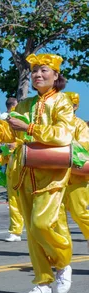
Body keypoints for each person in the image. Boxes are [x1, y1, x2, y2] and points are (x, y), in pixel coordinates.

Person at [0, 53, 74, 293]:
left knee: (41, 223)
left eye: (44, 70)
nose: (38, 75)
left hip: (51, 173)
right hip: (23, 172)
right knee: (32, 232)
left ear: (56, 76)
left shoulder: (62, 102)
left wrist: (29, 128)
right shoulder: (25, 104)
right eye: (34, 71)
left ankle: (63, 263)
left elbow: (63, 135)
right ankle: (43, 280)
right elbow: (8, 127)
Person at [61, 92, 89, 251]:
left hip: (76, 177)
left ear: (75, 106)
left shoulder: (80, 125)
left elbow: (82, 150)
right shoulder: (56, 124)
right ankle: (60, 250)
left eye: (68, 105)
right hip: (56, 176)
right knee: (58, 216)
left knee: (79, 213)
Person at [3, 96, 24, 242]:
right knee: (12, 199)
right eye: (9, 106)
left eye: (14, 106)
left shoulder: (25, 119)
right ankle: (15, 231)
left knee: (26, 199)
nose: (12, 109)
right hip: (11, 163)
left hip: (24, 162)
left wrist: (17, 144)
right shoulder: (4, 122)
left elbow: (32, 138)